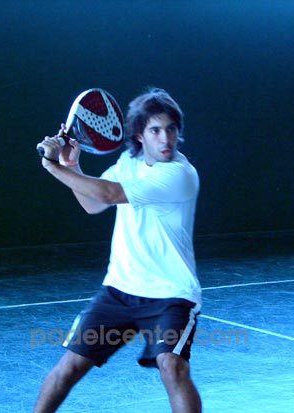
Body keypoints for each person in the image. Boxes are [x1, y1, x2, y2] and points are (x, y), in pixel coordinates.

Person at [34, 88, 202, 413]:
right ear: (140, 135)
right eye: (156, 130)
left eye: (171, 129)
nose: (166, 138)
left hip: (171, 295)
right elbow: (93, 205)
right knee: (69, 367)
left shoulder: (180, 174)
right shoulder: (128, 163)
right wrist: (72, 165)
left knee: (172, 366)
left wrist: (54, 167)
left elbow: (109, 194)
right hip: (119, 290)